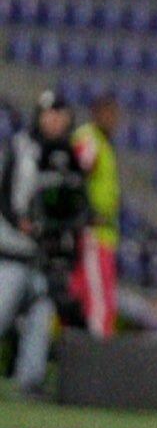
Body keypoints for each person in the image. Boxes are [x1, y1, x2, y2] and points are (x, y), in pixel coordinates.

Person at [0, 91, 88, 396]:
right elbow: (4, 194)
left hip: (47, 254)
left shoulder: (68, 154)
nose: (55, 120)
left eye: (60, 114)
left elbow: (78, 201)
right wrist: (18, 222)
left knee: (41, 317)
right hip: (12, 250)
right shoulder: (20, 146)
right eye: (49, 113)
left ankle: (30, 381)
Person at [70, 92, 121, 338]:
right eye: (109, 114)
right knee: (98, 303)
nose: (114, 120)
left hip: (104, 234)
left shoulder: (103, 142)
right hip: (92, 234)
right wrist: (86, 214)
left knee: (96, 299)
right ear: (97, 113)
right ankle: (97, 360)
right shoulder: (89, 139)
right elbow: (73, 177)